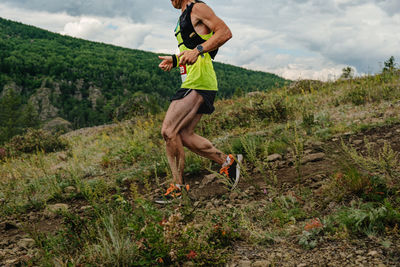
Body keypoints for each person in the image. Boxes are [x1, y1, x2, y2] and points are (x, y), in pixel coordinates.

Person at [156, 0, 242, 204]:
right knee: (183, 135)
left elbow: (225, 32)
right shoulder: (184, 15)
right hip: (195, 80)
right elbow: (191, 49)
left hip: (199, 81)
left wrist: (198, 50)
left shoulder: (197, 8)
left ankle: (178, 188)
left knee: (169, 131)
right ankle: (227, 162)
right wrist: (175, 60)